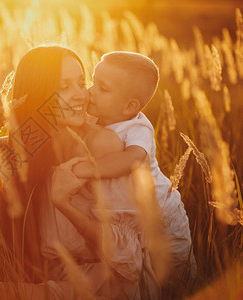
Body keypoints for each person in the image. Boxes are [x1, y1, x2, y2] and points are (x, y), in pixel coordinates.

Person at [0, 45, 159, 299]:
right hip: (53, 276)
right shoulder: (30, 145)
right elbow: (15, 234)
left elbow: (128, 255)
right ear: (37, 96)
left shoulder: (103, 146)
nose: (81, 95)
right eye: (64, 87)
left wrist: (64, 203)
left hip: (109, 284)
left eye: (81, 82)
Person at [72, 51, 197, 288]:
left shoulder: (138, 127)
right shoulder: (96, 118)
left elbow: (132, 159)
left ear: (130, 106)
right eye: (93, 82)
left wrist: (86, 169)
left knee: (178, 274)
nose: (90, 91)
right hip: (132, 220)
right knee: (143, 273)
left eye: (102, 88)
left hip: (163, 216)